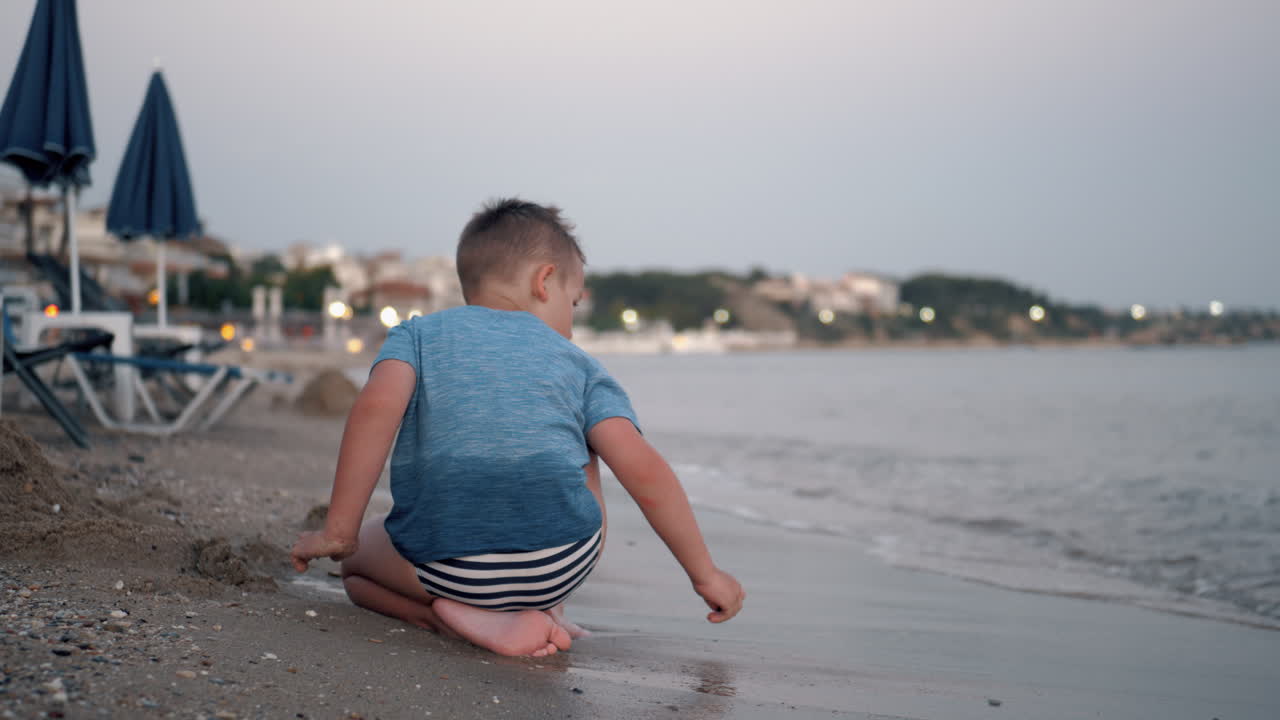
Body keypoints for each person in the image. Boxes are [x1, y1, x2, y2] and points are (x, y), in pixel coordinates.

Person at [290, 198, 744, 657]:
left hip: (446, 569)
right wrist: (704, 573)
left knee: (355, 573)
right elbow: (643, 469)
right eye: (574, 303)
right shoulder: (580, 365)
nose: (571, 323)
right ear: (544, 282)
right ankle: (547, 609)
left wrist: (340, 531)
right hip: (561, 565)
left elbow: (374, 412)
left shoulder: (418, 337)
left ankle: (444, 616)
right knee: (589, 442)